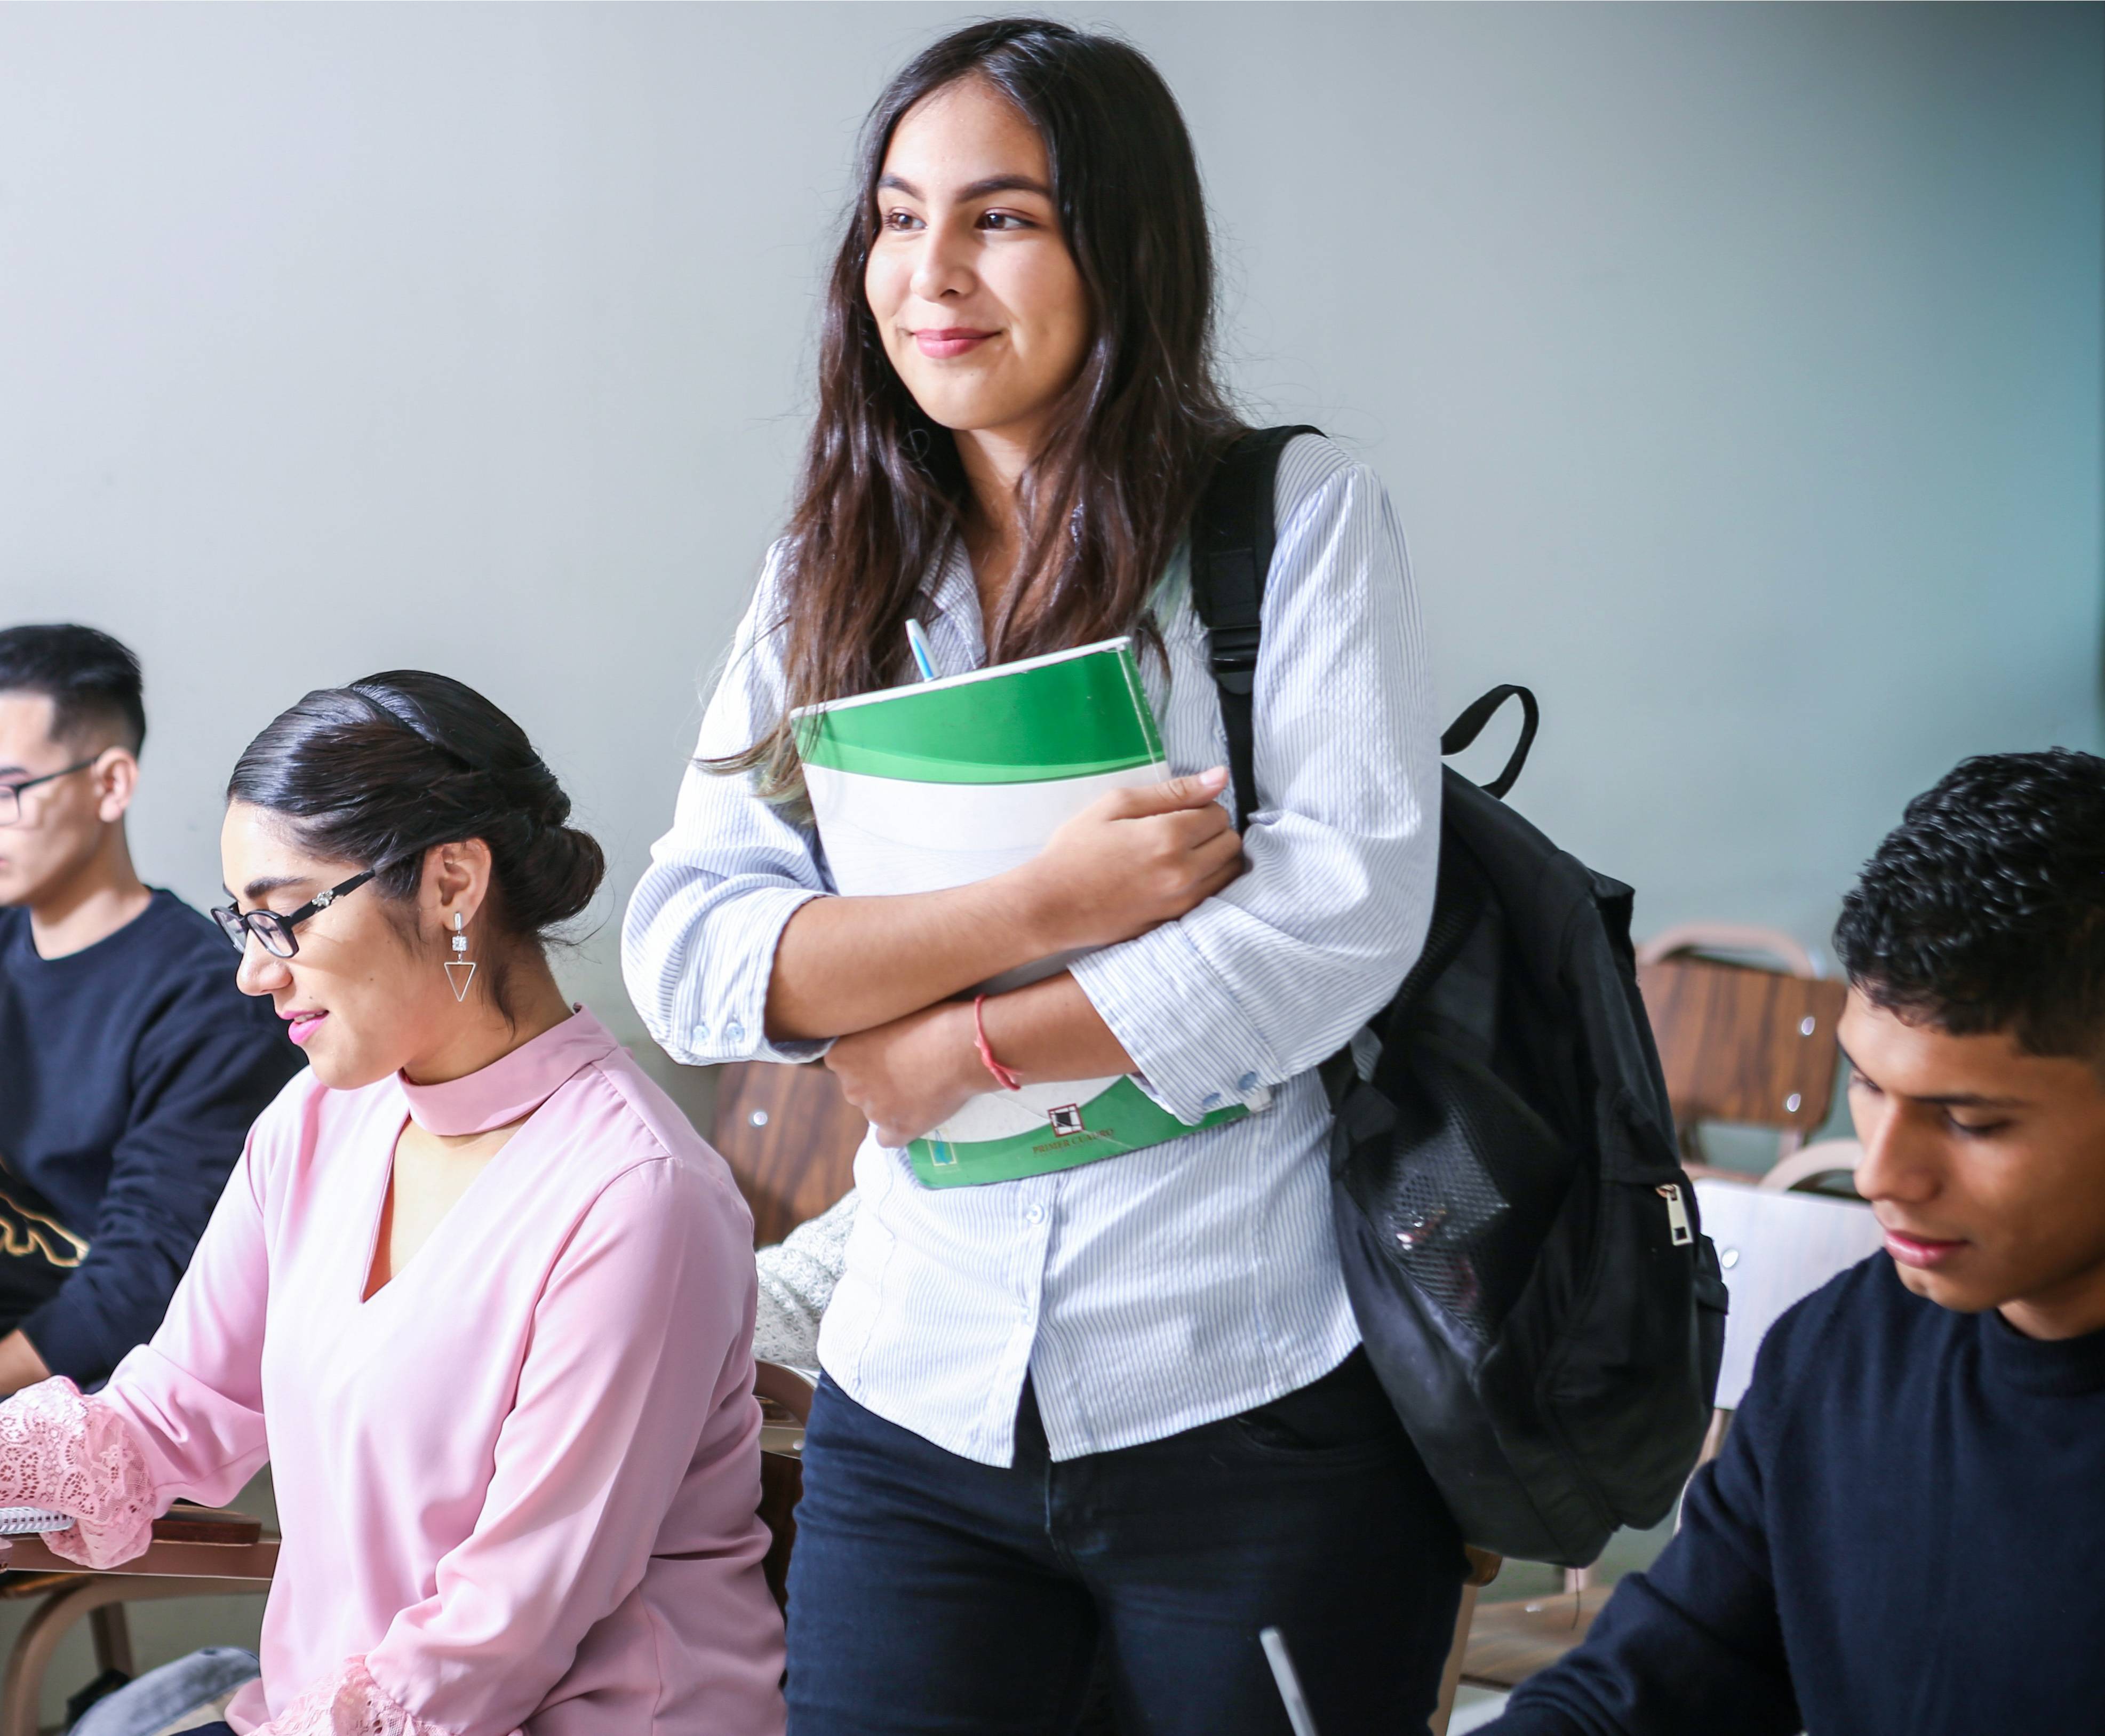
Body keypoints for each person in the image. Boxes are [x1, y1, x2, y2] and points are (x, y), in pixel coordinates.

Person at [625, 19, 1457, 1734]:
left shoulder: (1290, 519)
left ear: (1121, 246)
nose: (932, 271)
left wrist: (948, 1049)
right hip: (916, 1392)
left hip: (1245, 1378)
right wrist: (1040, 908)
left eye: (1002, 217)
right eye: (897, 217)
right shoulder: (828, 569)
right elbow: (690, 949)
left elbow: (1334, 916)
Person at [0, 671, 785, 1736]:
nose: (250, 973)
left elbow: (503, 1627)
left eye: (284, 917)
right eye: (243, 920)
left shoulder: (638, 1198)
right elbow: (173, 1410)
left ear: (452, 879)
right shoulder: (319, 1124)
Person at [1483, 747, 2105, 1734]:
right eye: (1865, 1083)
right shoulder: (1843, 1350)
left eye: (1972, 1121)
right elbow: (1673, 1666)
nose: (1878, 1173)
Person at [0, 623, 300, 1393]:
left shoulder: (213, 997)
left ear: (110, 784)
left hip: (85, 1418)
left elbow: (143, 1284)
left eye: (8, 790)